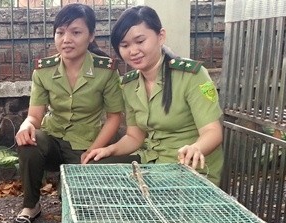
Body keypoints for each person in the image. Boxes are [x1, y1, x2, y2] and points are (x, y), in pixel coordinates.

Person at [14, 3, 125, 223]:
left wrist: (95, 150)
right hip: (53, 138)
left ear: (91, 36)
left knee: (75, 209)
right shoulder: (43, 71)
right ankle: (31, 204)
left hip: (86, 143)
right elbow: (35, 116)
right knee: (30, 143)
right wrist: (26, 125)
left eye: (76, 32)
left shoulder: (106, 71)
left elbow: (114, 117)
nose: (66, 39)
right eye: (60, 32)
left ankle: (72, 192)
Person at [87, 5, 224, 185]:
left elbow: (212, 131)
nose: (133, 51)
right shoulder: (129, 84)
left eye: (140, 41)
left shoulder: (192, 76)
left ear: (161, 36)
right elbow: (135, 137)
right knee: (93, 168)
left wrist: (196, 148)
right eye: (125, 45)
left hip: (187, 166)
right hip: (151, 162)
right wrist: (109, 150)